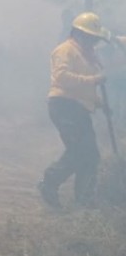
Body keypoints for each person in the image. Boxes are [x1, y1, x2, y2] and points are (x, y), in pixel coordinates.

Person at [39, 11, 111, 208]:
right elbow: (63, 79)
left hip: (78, 108)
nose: (94, 43)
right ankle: (50, 182)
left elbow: (83, 88)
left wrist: (99, 103)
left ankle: (84, 201)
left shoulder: (86, 55)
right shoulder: (65, 50)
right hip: (64, 107)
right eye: (91, 38)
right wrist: (94, 80)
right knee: (79, 151)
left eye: (95, 39)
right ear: (79, 34)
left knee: (90, 155)